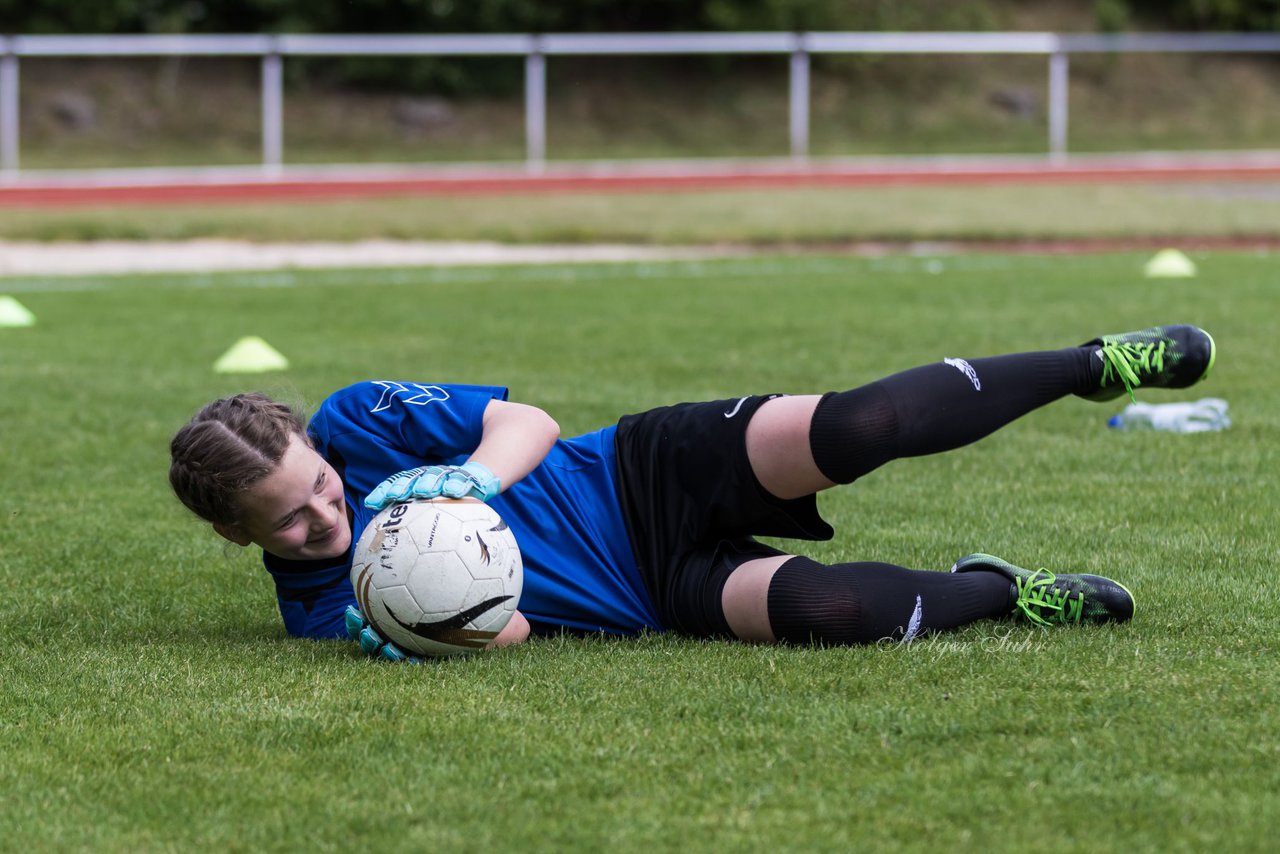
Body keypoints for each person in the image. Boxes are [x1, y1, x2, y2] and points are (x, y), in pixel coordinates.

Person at [169, 324, 1215, 660]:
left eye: (317, 486)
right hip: (656, 587)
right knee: (828, 611)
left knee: (856, 426)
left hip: (636, 467)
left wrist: (468, 480)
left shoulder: (360, 420)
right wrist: (418, 619)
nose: (324, 515)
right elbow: (514, 631)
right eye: (290, 520)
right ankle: (1000, 589)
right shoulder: (315, 608)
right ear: (231, 533)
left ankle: (1094, 363)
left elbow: (525, 418)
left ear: (311, 439)